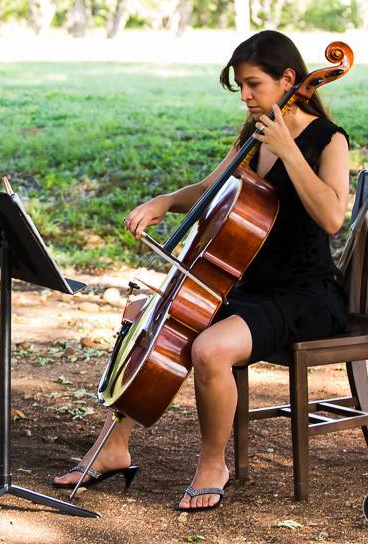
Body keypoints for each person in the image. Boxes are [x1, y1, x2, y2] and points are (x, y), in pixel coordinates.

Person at [53, 30, 351, 511]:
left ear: (289, 79)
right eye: (242, 87)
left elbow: (333, 216)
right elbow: (213, 188)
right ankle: (112, 446)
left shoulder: (327, 140)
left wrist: (290, 151)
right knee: (140, 313)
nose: (247, 96)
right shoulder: (254, 136)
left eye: (254, 84)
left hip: (304, 296)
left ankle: (214, 464)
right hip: (246, 285)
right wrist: (168, 201)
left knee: (211, 349)